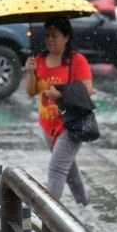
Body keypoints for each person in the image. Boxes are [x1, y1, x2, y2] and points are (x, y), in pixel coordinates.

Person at [24, 16, 94, 216]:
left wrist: (61, 93)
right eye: (47, 36)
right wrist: (30, 72)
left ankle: (49, 220)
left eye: (54, 35)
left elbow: (88, 89)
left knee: (56, 169)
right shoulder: (38, 60)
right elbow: (31, 92)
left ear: (66, 37)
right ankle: (85, 208)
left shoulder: (76, 60)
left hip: (70, 124)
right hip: (48, 125)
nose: (50, 40)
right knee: (68, 168)